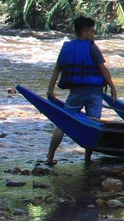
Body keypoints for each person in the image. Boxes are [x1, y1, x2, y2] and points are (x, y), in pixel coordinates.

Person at [45, 16, 117, 164]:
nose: (93, 35)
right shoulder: (92, 47)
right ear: (84, 32)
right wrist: (112, 87)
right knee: (93, 125)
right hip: (95, 93)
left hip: (76, 92)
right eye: (91, 31)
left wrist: (50, 90)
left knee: (62, 123)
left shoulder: (66, 48)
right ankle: (87, 159)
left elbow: (56, 69)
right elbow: (103, 70)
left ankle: (50, 157)